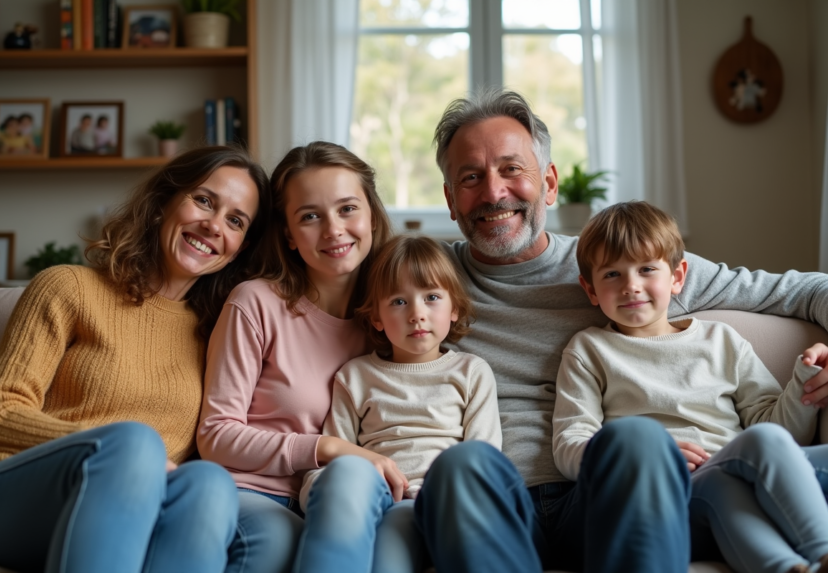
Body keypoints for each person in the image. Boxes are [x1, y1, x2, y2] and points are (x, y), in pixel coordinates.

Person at [412, 88, 828, 573]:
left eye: (511, 169)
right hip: (496, 503)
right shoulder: (425, 280)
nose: (493, 192)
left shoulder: (616, 263)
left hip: (604, 495)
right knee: (460, 468)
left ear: (548, 183)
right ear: (449, 198)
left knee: (637, 440)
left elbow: (803, 290)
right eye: (470, 177)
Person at [0, 146, 272, 573]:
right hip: (6, 491)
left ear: (240, 248)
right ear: (162, 203)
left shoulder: (217, 335)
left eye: (236, 220)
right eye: (203, 200)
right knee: (136, 442)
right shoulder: (68, 288)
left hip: (132, 511)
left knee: (209, 483)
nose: (214, 225)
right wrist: (127, 455)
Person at [554, 200, 828, 573]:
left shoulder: (721, 340)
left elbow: (780, 430)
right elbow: (570, 443)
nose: (631, 286)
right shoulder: (590, 349)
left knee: (750, 460)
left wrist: (804, 382)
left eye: (647, 269)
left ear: (678, 276)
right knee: (747, 457)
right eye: (612, 275)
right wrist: (645, 455)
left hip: (735, 478)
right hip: (666, 498)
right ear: (590, 289)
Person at [197, 141, 394, 573]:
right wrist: (326, 449)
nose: (333, 230)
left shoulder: (394, 320)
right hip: (256, 494)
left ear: (373, 217)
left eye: (347, 209)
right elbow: (215, 435)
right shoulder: (255, 303)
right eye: (310, 216)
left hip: (345, 504)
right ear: (287, 234)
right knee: (274, 545)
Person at [294, 235, 501, 573]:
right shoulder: (355, 376)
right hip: (370, 500)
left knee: (397, 542)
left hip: (438, 502)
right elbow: (332, 458)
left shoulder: (471, 372)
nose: (417, 314)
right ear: (376, 317)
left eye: (432, 297)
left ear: (455, 309)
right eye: (399, 302)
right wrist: (323, 492)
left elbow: (482, 459)